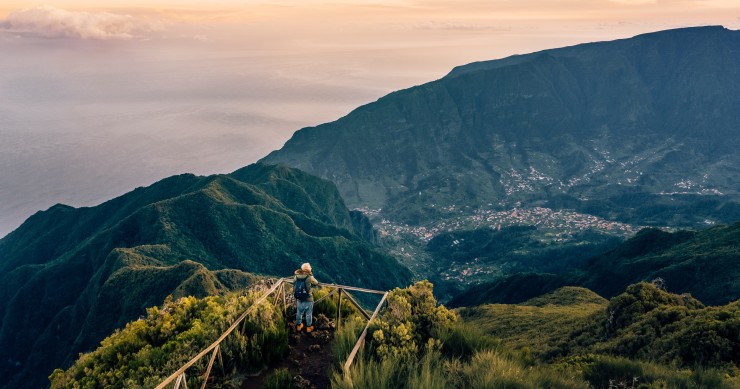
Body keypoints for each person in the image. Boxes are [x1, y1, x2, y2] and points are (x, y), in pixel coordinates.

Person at [294, 262, 319, 332]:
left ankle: (298, 326)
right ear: (308, 269)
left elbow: (294, 284)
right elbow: (316, 283)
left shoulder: (296, 276)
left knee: (299, 312)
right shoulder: (309, 277)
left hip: (299, 298)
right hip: (308, 299)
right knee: (308, 314)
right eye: (310, 267)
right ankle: (308, 327)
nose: (311, 268)